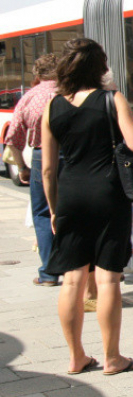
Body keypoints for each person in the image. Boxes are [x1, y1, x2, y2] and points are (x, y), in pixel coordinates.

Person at [41, 38, 133, 376]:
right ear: (100, 68)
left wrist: (55, 210)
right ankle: (112, 358)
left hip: (71, 197)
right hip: (107, 196)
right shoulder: (111, 99)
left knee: (72, 280)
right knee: (108, 280)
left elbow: (46, 170)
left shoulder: (53, 106)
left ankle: (76, 357)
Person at [4, 53, 59, 287]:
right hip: (74, 155)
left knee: (43, 212)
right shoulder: (72, 92)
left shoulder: (31, 96)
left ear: (37, 75)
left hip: (41, 154)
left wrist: (22, 167)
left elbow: (13, 136)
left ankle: (48, 273)